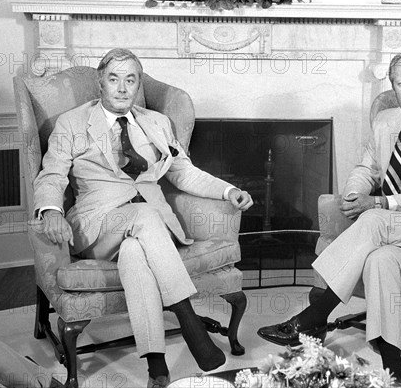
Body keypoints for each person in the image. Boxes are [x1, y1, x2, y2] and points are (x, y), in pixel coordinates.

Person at [257, 51, 401, 388]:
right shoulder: (386, 121)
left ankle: (313, 316)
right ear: (393, 87)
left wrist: (379, 202)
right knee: (379, 259)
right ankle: (396, 371)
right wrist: (353, 196)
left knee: (376, 220)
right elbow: (366, 168)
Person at [34, 48, 253, 388]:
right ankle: (188, 317)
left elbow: (184, 173)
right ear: (100, 83)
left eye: (130, 80)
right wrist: (50, 210)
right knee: (143, 213)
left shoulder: (157, 123)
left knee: (136, 254)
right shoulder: (72, 123)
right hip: (97, 225)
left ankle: (157, 368)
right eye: (114, 79)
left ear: (137, 85)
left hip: (149, 229)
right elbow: (51, 175)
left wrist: (228, 191)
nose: (122, 88)